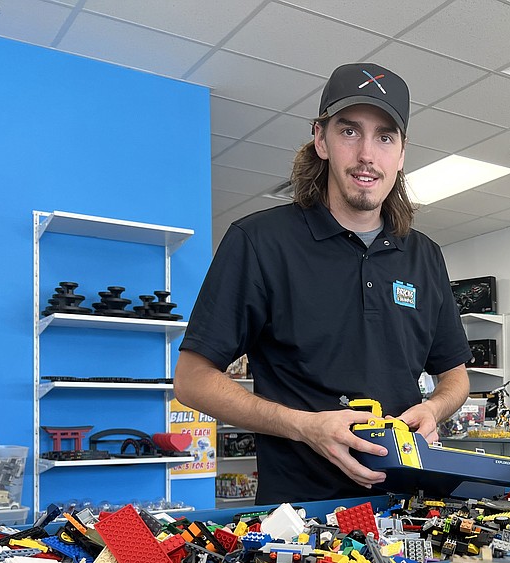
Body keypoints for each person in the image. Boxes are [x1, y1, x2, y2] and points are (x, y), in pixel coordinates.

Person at [174, 63, 472, 504]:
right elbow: (191, 380)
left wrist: (433, 409)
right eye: (350, 132)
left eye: (385, 137)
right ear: (321, 139)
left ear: (402, 153)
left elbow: (456, 378)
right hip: (299, 518)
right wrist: (305, 426)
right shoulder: (259, 242)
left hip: (410, 509)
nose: (367, 154)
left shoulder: (424, 255)